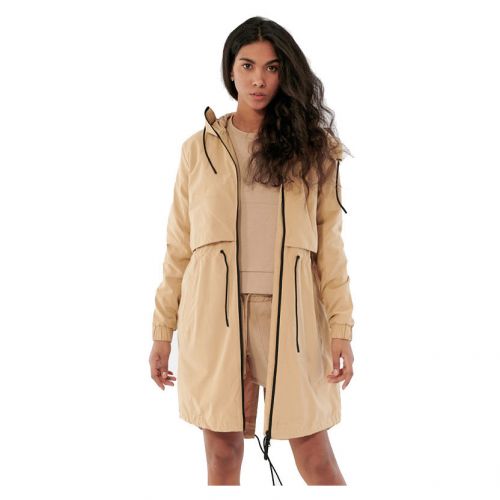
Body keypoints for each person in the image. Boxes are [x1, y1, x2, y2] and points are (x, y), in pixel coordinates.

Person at [149, 16, 355, 486]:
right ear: (231, 71)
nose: (259, 79)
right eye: (247, 66)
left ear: (286, 74)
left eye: (271, 67)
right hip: (213, 316)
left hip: (294, 317)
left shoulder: (313, 149)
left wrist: (341, 326)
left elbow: (331, 247)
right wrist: (163, 330)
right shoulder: (198, 149)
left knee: (315, 455)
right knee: (222, 455)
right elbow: (179, 245)